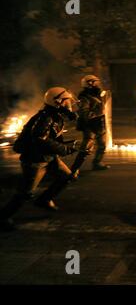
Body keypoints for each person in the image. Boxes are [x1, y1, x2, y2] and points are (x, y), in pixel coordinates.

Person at [0, 87, 79, 231]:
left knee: (67, 177)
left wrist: (67, 145)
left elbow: (52, 138)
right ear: (58, 102)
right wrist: (65, 149)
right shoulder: (45, 117)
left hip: (49, 156)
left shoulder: (56, 115)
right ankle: (2, 217)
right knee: (25, 193)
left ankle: (44, 200)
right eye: (67, 101)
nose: (70, 104)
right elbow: (40, 139)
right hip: (36, 160)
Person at [71, 75, 110, 177]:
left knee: (102, 145)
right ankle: (75, 168)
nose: (98, 83)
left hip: (98, 124)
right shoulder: (85, 96)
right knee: (86, 147)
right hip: (90, 125)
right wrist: (99, 113)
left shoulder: (97, 94)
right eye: (95, 82)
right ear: (90, 83)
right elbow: (85, 113)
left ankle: (97, 163)